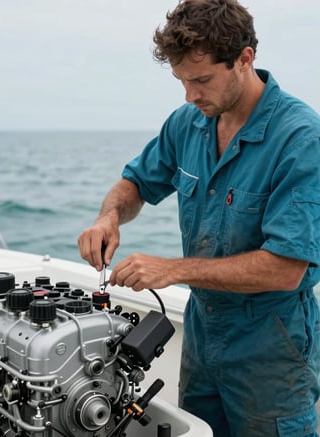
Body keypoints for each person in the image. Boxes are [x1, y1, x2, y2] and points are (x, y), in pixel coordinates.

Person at [77, 0, 320, 435]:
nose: (190, 95)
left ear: (245, 59)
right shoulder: (188, 122)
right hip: (202, 336)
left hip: (271, 349)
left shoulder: (301, 139)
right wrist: (108, 217)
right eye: (182, 81)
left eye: (202, 80)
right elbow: (135, 183)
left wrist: (171, 269)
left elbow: (286, 267)